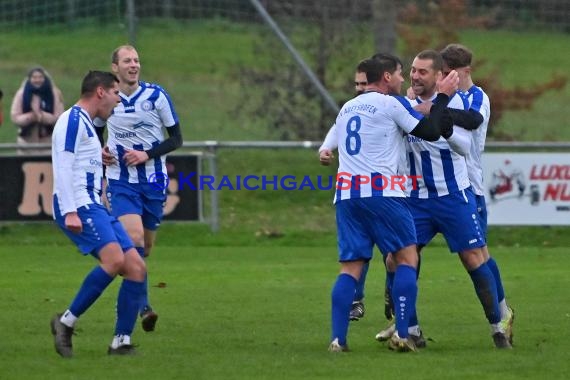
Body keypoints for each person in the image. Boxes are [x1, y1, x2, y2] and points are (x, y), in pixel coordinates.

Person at [378, 49, 511, 349]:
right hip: (415, 199)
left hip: (453, 195)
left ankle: (497, 327)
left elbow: (464, 146)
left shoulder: (458, 102)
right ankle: (408, 330)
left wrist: (444, 125)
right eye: (412, 70)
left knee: (474, 258)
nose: (414, 76)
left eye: (422, 72)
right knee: (396, 258)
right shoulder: (404, 105)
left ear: (440, 76)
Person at [328, 55, 458, 353]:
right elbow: (430, 131)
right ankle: (403, 333)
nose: (403, 79)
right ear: (386, 77)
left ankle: (338, 339)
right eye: (400, 74)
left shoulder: (348, 106)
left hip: (347, 195)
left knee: (349, 268)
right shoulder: (391, 103)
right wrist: (444, 98)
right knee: (406, 259)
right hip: (383, 192)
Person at [50, 70, 146, 357]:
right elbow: (64, 166)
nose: (119, 99)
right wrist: (70, 211)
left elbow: (81, 162)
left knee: (137, 269)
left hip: (95, 205)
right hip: (79, 205)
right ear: (101, 92)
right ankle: (65, 323)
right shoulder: (71, 120)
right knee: (115, 259)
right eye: (116, 93)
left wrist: (99, 159)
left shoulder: (88, 125)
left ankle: (121, 342)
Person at [96, 45, 183, 332]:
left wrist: (147, 154)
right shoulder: (108, 97)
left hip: (154, 182)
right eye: (127, 61)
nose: (133, 65)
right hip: (121, 181)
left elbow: (176, 139)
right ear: (114, 67)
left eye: (136, 60)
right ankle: (143, 307)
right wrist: (101, 151)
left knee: (144, 248)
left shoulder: (156, 95)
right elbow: (94, 132)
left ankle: (134, 291)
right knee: (133, 239)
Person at [440, 43, 514, 343]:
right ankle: (406, 325)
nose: (445, 78)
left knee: (477, 254)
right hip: (440, 186)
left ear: (465, 71)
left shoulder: (476, 96)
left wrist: (439, 110)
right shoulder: (445, 96)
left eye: (450, 73)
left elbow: (473, 121)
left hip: (470, 185)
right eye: (442, 73)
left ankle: (502, 311)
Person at [319, 68, 369, 322]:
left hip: (394, 189)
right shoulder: (350, 107)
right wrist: (326, 147)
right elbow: (338, 127)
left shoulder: (391, 105)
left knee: (399, 255)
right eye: (356, 83)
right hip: (361, 191)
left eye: (363, 83)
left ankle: (396, 303)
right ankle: (356, 300)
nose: (359, 87)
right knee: (360, 252)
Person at [10, 67, 64, 155]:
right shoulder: (21, 94)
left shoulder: (54, 93)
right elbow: (15, 117)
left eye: (40, 77)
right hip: (26, 143)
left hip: (48, 141)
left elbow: (59, 116)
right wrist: (32, 117)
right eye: (34, 77)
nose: (37, 80)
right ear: (29, 79)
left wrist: (42, 117)